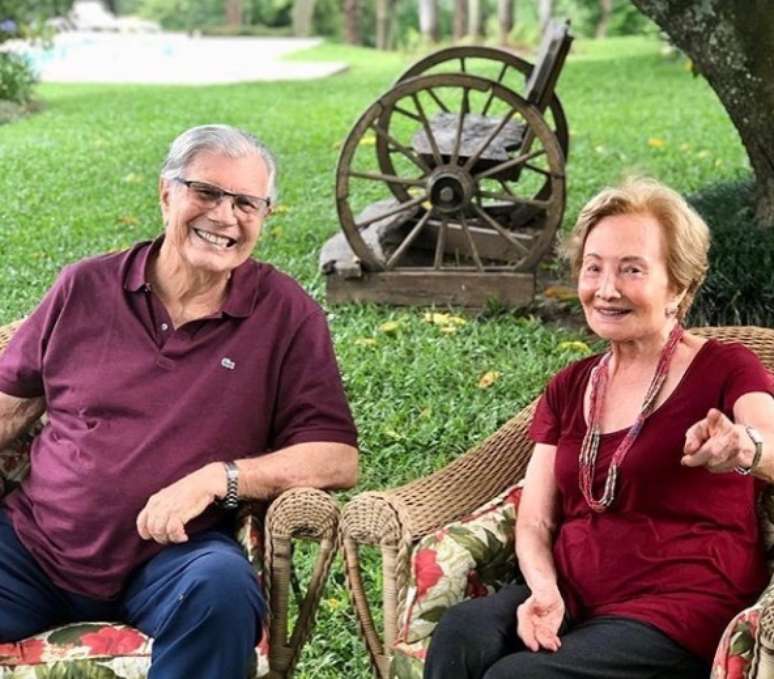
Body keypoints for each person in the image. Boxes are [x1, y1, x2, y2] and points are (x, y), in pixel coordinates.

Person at [0, 124, 358, 678]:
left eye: (246, 203)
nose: (225, 217)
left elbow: (335, 456)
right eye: (207, 192)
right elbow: (13, 405)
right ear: (167, 194)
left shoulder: (286, 315)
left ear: (263, 217)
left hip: (173, 560)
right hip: (34, 549)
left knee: (223, 590)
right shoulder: (85, 288)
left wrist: (218, 478)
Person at [424, 177, 774, 678]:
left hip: (680, 609)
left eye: (631, 270)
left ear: (678, 286)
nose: (606, 290)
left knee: (517, 678)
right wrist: (544, 590)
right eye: (594, 268)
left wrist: (744, 447)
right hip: (575, 594)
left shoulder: (727, 368)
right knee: (462, 635)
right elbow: (536, 521)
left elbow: (770, 439)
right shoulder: (571, 386)